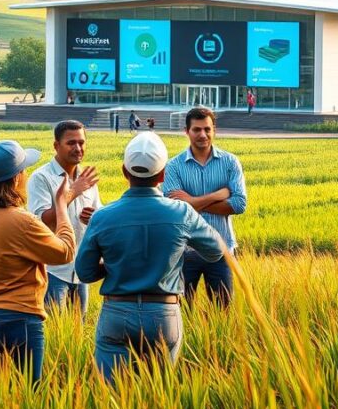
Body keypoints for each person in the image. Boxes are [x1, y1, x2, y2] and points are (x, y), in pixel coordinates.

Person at [75, 132, 224, 383]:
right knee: (159, 393)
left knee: (111, 394)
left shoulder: (102, 216)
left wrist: (116, 265)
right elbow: (216, 250)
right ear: (163, 175)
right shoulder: (181, 212)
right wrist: (173, 256)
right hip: (163, 312)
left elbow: (85, 272)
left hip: (117, 312)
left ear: (125, 171)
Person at [0, 141, 76, 383]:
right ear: (15, 179)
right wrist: (61, 206)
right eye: (24, 170)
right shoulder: (22, 221)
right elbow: (65, 252)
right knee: (30, 393)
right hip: (19, 318)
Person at [163, 106, 247, 306]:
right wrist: (217, 195)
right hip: (184, 251)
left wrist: (190, 202)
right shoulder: (174, 166)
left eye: (207, 129)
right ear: (187, 131)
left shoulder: (230, 162)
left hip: (222, 250)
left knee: (222, 311)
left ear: (214, 130)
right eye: (197, 129)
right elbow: (172, 208)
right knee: (181, 311)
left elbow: (239, 204)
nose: (203, 134)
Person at [26, 120, 102, 316]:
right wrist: (72, 193)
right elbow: (40, 222)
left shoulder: (86, 179)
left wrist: (94, 218)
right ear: (56, 145)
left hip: (81, 271)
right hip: (53, 272)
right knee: (53, 328)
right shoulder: (41, 178)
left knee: (77, 330)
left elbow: (98, 219)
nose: (78, 148)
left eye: (81, 142)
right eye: (71, 143)